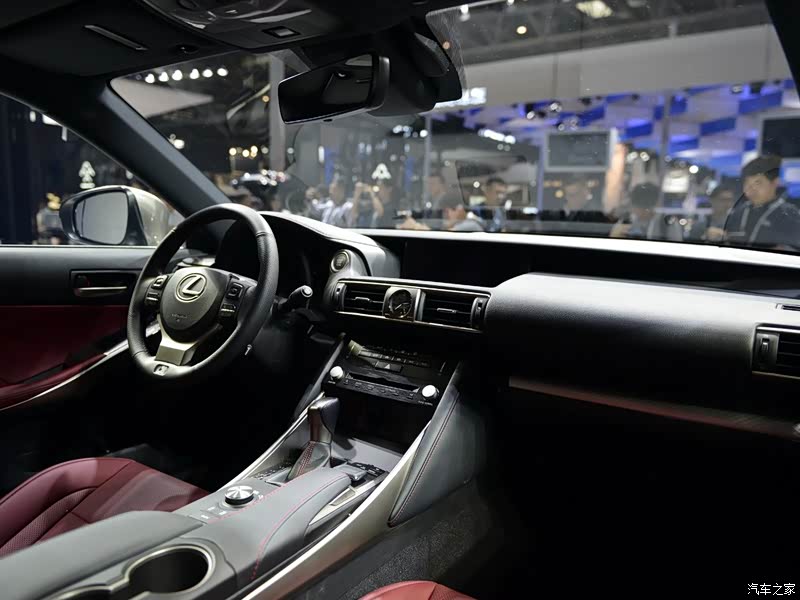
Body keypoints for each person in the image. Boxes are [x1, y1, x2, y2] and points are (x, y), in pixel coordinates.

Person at [724, 155, 800, 249]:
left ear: (775, 183)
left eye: (758, 183)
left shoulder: (789, 214)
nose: (751, 189)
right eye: (747, 183)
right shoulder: (739, 212)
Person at [610, 182, 683, 241]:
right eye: (638, 207)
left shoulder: (667, 223)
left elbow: (676, 246)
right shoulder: (626, 221)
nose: (642, 212)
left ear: (655, 205)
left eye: (645, 208)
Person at [400, 191, 484, 232]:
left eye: (447, 211)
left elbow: (445, 235)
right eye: (444, 212)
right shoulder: (461, 223)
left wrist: (416, 226)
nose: (445, 215)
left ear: (460, 209)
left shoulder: (471, 225)